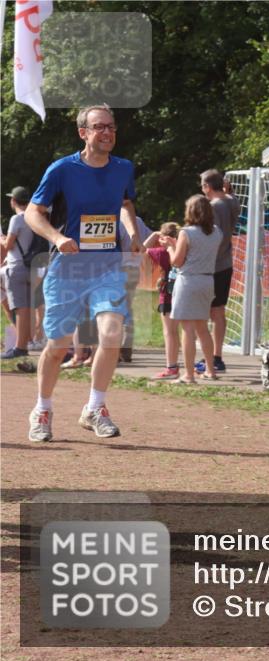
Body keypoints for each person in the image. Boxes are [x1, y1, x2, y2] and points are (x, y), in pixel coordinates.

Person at [23, 105, 142, 441]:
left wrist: (132, 234)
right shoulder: (62, 169)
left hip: (107, 265)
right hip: (68, 269)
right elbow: (34, 212)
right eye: (99, 127)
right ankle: (42, 408)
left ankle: (95, 407)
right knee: (58, 345)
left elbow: (126, 203)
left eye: (111, 127)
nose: (107, 133)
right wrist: (58, 238)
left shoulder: (123, 168)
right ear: (83, 133)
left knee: (111, 334)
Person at [162, 195, 221, 384]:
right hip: (207, 281)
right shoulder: (216, 232)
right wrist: (176, 245)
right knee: (203, 328)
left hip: (188, 281)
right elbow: (198, 252)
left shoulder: (186, 232)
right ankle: (211, 370)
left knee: (187, 329)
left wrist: (169, 248)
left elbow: (177, 261)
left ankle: (188, 375)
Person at [195, 169, 239, 375]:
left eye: (203, 186)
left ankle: (211, 357)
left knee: (205, 312)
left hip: (212, 265)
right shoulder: (231, 201)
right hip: (225, 263)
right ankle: (216, 356)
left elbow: (216, 236)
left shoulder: (214, 206)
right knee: (219, 311)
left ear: (207, 187)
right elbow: (230, 196)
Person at [143, 222, 181, 380]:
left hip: (168, 293)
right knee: (185, 331)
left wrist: (154, 235)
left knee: (169, 332)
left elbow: (141, 249)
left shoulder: (160, 252)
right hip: (184, 291)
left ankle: (171, 366)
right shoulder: (183, 250)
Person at [2, 186, 37, 359]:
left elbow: (8, 245)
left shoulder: (16, 219)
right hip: (33, 266)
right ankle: (28, 342)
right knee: (29, 308)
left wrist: (2, 239)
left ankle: (20, 347)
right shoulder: (35, 216)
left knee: (20, 309)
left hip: (17, 267)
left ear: (13, 201)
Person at [116, 213, 152, 363]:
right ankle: (126, 348)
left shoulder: (115, 220)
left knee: (115, 310)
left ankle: (116, 349)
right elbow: (149, 240)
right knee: (127, 309)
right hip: (134, 269)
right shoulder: (138, 221)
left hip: (118, 268)